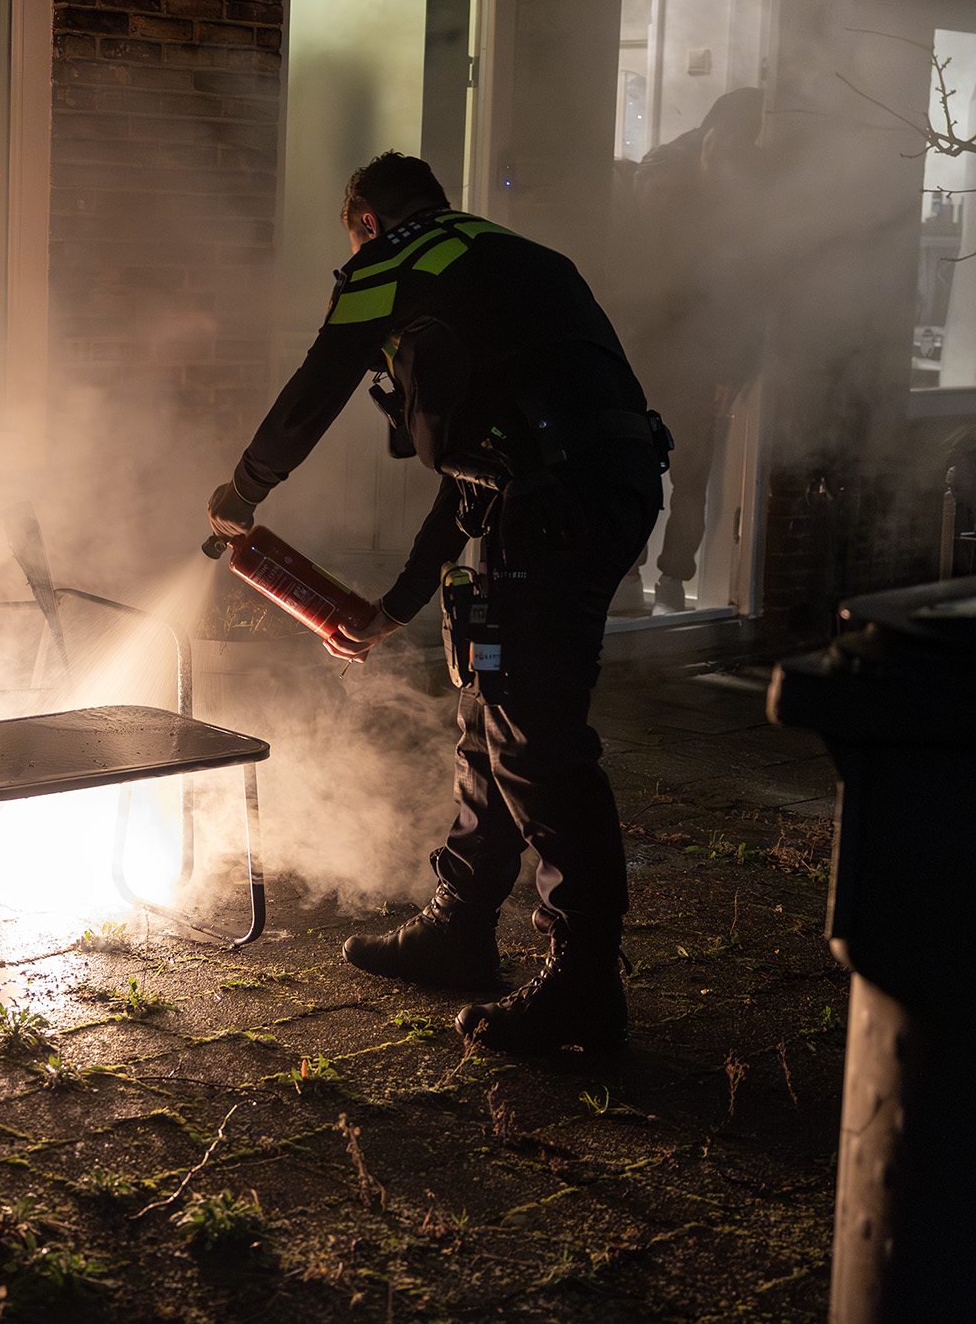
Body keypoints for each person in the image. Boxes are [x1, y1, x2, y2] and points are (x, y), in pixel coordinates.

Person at [206, 151, 666, 1053]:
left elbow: (318, 385)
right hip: (598, 487)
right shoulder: (511, 258)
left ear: (366, 222)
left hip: (553, 502)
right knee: (494, 701)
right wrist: (396, 604)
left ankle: (582, 982)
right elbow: (484, 471)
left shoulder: (391, 262)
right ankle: (460, 925)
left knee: (535, 732)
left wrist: (244, 489)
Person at [616, 88, 770, 613]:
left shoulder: (697, 170)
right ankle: (651, 577)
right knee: (662, 473)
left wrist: (734, 365)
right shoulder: (677, 173)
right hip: (666, 350)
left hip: (678, 353)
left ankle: (656, 578)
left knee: (674, 474)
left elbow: (742, 284)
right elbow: (736, 282)